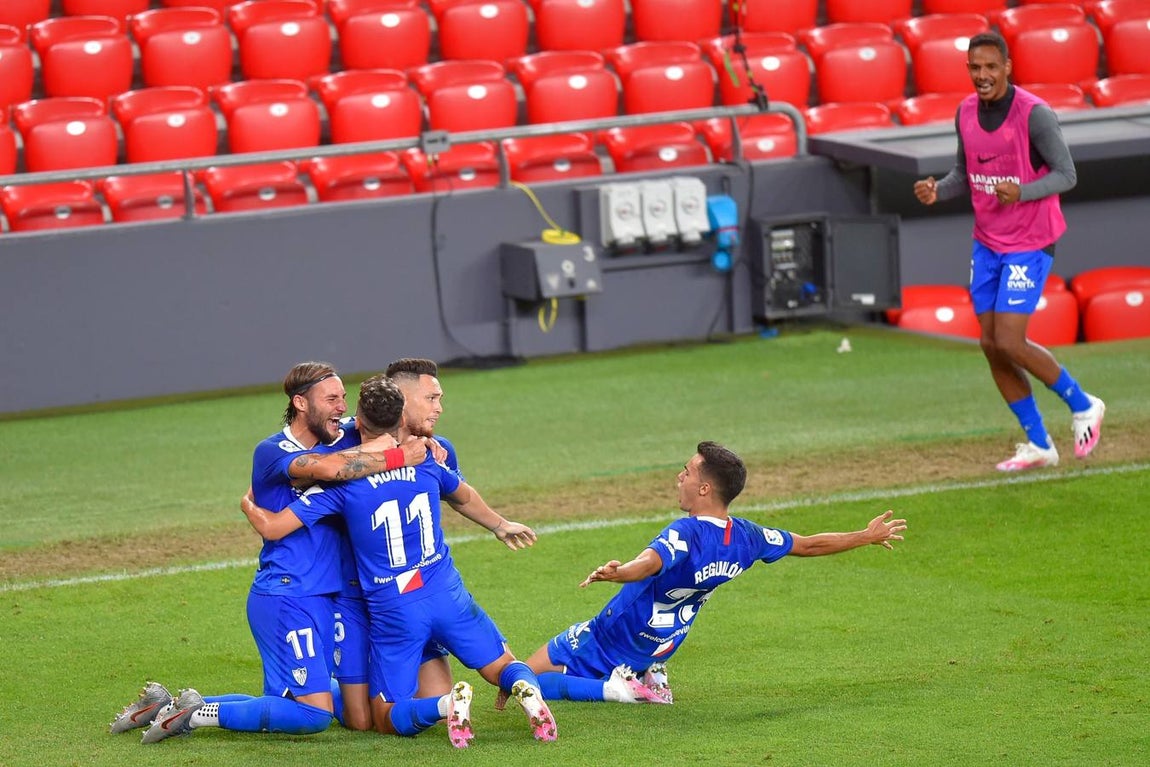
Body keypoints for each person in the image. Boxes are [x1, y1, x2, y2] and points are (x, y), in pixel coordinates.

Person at [110, 362, 433, 741]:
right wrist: (397, 456)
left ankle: (164, 705)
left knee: (322, 704)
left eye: (343, 398)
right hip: (288, 592)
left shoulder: (341, 438)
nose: (341, 407)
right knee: (314, 715)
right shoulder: (272, 451)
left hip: (329, 596)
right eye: (331, 399)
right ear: (300, 402)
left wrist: (430, 444)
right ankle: (195, 715)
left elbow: (387, 430)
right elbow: (332, 470)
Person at [234, 375, 556, 747]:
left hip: (395, 606)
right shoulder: (429, 462)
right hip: (444, 590)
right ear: (402, 415)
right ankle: (527, 692)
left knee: (384, 716)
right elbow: (464, 497)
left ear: (360, 417)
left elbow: (276, 527)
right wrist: (501, 525)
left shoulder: (346, 483)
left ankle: (446, 705)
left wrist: (250, 506)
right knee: (501, 665)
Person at [522, 441, 907, 705]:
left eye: (686, 472)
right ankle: (648, 674)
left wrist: (620, 573)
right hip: (663, 640)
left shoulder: (685, 532)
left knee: (521, 678)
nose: (679, 476)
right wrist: (865, 536)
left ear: (704, 487)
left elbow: (651, 563)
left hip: (614, 635)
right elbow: (806, 544)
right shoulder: (747, 537)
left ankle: (619, 690)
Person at [913, 31, 1105, 472]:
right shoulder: (964, 113)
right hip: (988, 242)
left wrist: (1022, 191)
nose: (982, 76)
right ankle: (1039, 444)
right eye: (975, 68)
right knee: (990, 344)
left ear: (1007, 67)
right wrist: (937, 190)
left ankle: (1083, 403)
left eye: (990, 67)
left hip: (1031, 241)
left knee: (1009, 339)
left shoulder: (1034, 115)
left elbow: (1067, 174)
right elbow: (964, 174)